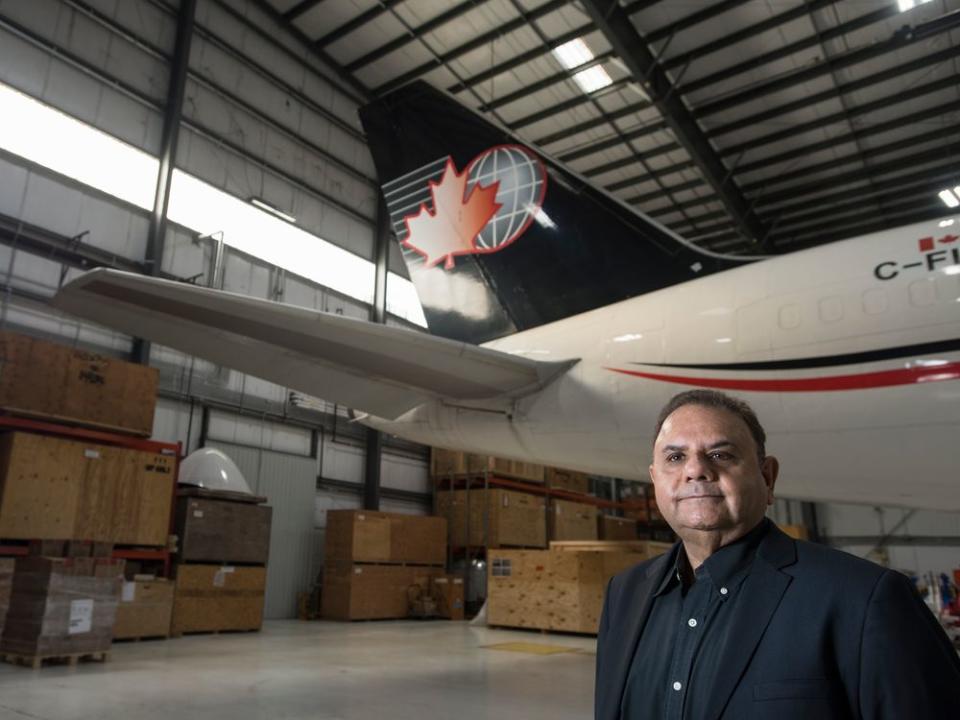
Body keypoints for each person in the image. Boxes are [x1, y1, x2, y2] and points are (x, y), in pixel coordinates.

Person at [595, 389, 960, 719]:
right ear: (655, 480)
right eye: (675, 457)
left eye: (720, 454)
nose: (695, 470)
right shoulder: (624, 595)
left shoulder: (865, 599)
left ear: (767, 478)